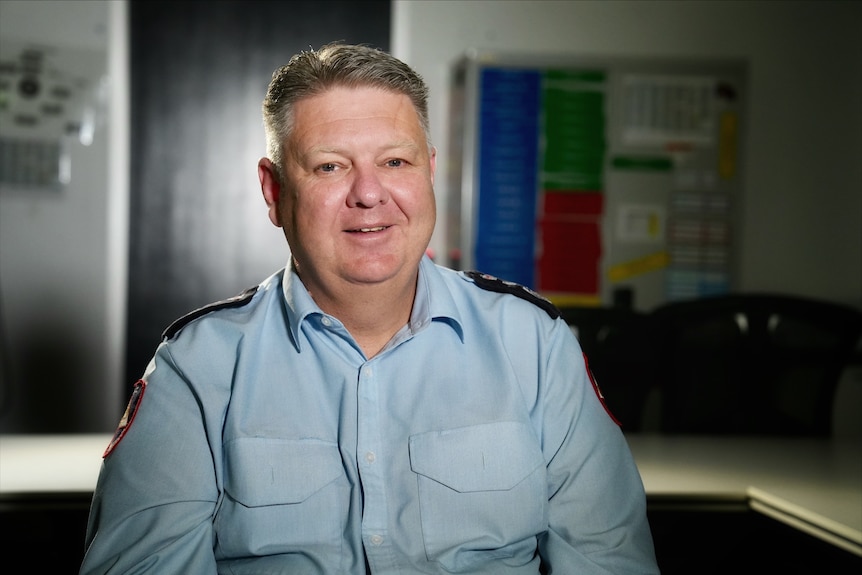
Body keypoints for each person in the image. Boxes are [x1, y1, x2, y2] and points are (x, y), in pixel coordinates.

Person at [80, 42, 659, 574]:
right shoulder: (197, 365)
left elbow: (610, 560)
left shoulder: (534, 343)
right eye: (330, 166)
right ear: (274, 192)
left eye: (396, 162)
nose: (369, 193)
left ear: (429, 172)